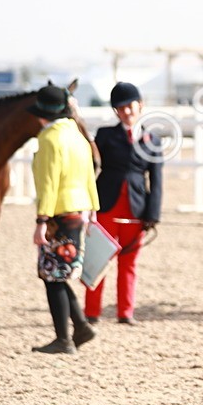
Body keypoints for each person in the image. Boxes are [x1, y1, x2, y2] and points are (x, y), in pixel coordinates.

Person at [29, 84, 100, 355]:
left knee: (53, 276)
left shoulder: (49, 139)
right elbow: (90, 175)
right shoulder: (78, 136)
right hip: (79, 211)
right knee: (60, 274)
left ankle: (64, 339)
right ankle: (80, 326)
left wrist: (41, 220)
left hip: (59, 213)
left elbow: (49, 184)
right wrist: (93, 207)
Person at [84, 82, 162, 326]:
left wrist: (153, 214)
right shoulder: (105, 135)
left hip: (137, 208)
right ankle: (91, 312)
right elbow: (90, 167)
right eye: (120, 108)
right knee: (99, 258)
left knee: (129, 262)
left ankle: (126, 312)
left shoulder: (153, 140)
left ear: (140, 105)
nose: (126, 112)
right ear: (115, 111)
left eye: (130, 106)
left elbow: (156, 180)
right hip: (105, 205)